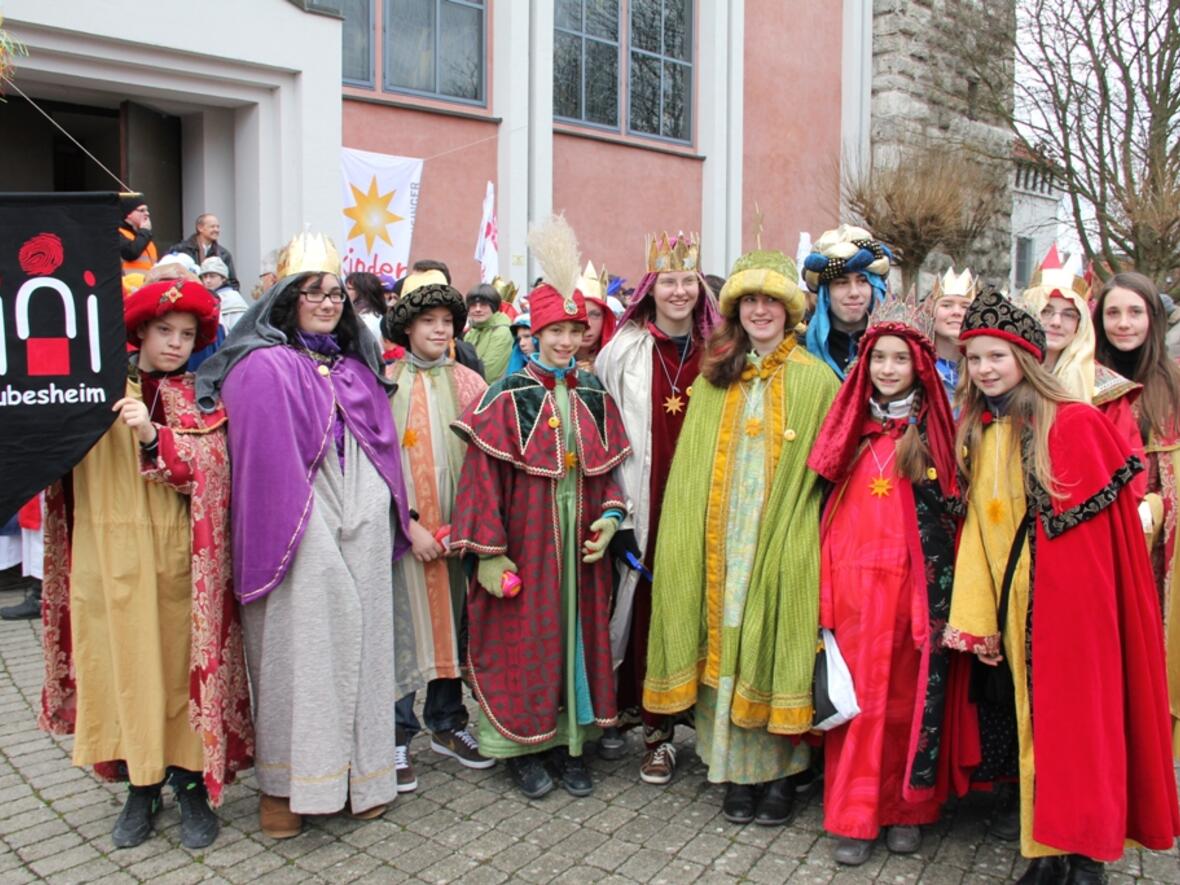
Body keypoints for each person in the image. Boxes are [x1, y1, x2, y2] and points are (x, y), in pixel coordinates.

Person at [945, 289, 1180, 883]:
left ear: (1026, 357)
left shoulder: (1073, 424)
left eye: (997, 355)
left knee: (1078, 732)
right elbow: (980, 527)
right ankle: (1047, 848)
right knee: (1034, 734)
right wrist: (981, 619)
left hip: (1071, 613)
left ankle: (1088, 852)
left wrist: (1067, 611)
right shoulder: (979, 429)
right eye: (974, 358)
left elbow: (1103, 548)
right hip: (1014, 604)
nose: (985, 368)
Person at [195, 232, 413, 838]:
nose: (325, 302)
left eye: (334, 293)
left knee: (366, 641)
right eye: (312, 292)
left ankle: (365, 777)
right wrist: (308, 521)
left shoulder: (356, 367)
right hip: (295, 515)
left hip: (361, 507)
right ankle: (286, 788)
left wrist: (377, 507)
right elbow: (261, 460)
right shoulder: (261, 365)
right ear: (287, 298)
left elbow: (381, 445)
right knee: (302, 646)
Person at [38, 280, 252, 850]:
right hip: (108, 560)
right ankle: (140, 783)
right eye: (164, 331)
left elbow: (212, 472)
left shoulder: (202, 396)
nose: (176, 344)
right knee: (123, 665)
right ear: (138, 333)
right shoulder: (90, 395)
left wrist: (153, 435)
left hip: (182, 564)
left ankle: (187, 783)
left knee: (180, 666)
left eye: (186, 334)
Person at [644, 249, 839, 827]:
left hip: (781, 536)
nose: (760, 311)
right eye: (749, 301)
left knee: (777, 634)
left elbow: (825, 474)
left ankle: (778, 776)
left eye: (770, 302)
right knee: (723, 636)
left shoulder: (816, 380)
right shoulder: (714, 375)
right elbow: (689, 471)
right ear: (736, 311)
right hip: (718, 540)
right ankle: (730, 771)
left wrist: (798, 538)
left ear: (788, 311)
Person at [450, 216, 631, 800]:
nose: (564, 341)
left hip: (579, 553)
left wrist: (608, 521)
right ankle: (524, 750)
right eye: (554, 330)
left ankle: (571, 744)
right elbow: (480, 483)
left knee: (578, 643)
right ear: (533, 332)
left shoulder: (595, 394)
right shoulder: (504, 397)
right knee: (524, 645)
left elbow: (607, 475)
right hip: (523, 547)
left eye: (575, 331)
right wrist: (487, 556)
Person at [807, 294, 963, 864]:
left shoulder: (935, 433)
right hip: (851, 586)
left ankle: (906, 810)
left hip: (911, 588)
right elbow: (820, 503)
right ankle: (854, 815)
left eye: (900, 358)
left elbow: (949, 510)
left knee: (905, 698)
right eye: (879, 358)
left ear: (918, 365)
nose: (889, 369)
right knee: (857, 702)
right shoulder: (850, 430)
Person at [593, 231, 720, 782]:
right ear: (651, 287)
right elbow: (602, 432)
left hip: (700, 503)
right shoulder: (620, 352)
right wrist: (614, 508)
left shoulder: (720, 351)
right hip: (640, 501)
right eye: (668, 280)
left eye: (687, 280)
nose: (678, 291)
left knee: (695, 608)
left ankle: (699, 721)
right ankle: (655, 732)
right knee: (644, 613)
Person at [381, 273, 492, 791]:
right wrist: (407, 526)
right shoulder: (382, 383)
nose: (439, 330)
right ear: (406, 327)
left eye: (447, 322)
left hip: (457, 533)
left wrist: (463, 526)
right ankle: (396, 733)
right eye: (428, 321)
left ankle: (448, 724)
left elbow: (487, 462)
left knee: (453, 621)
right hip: (404, 537)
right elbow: (372, 464)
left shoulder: (471, 383)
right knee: (402, 626)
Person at [1093, 271, 1180, 755]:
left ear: (1153, 317)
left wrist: (1159, 507)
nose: (1123, 324)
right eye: (1113, 312)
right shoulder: (1084, 379)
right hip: (1104, 535)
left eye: (1134, 312)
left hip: (1164, 546)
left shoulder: (1174, 383)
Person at [802, 225, 894, 378]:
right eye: (842, 283)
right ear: (826, 292)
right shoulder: (802, 350)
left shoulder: (897, 348)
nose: (854, 293)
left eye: (862, 281)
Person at [927, 266, 979, 403]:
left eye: (965, 306)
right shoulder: (919, 365)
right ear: (931, 310)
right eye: (947, 305)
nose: (956, 312)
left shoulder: (982, 371)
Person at [170, 213, 238, 289]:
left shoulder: (223, 254)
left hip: (215, 298)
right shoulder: (181, 249)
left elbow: (233, 283)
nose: (216, 230)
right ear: (200, 228)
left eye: (218, 227)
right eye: (212, 227)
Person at [463, 283, 515, 381]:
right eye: (473, 305)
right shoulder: (472, 332)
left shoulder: (502, 332)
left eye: (483, 305)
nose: (478, 309)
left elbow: (488, 375)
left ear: (494, 307)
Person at [573, 261, 617, 372]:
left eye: (595, 315)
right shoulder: (551, 366)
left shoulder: (616, 363)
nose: (588, 324)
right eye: (580, 315)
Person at [199, 257, 249, 332]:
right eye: (205, 276)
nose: (207, 280)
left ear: (223, 278)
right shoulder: (204, 298)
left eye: (212, 276)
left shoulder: (234, 299)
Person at [118, 193, 157, 276]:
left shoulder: (144, 235)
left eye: (147, 210)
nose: (147, 213)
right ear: (129, 214)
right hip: (130, 285)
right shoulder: (118, 233)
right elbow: (130, 253)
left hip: (148, 284)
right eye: (142, 210)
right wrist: (145, 231)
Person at [345, 271, 388, 341]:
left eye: (349, 288)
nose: (345, 291)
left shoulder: (366, 320)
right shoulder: (370, 315)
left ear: (362, 292)